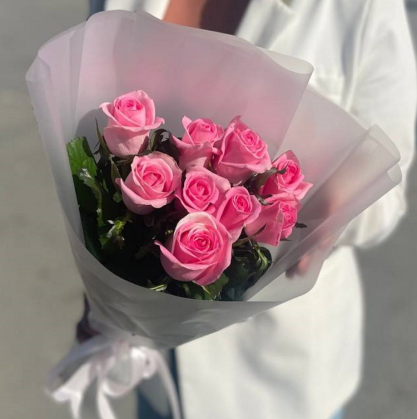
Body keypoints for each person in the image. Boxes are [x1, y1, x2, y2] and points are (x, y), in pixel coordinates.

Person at [90, 1, 417, 419]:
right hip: (151, 363)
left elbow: (390, 187)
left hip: (276, 377)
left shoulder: (363, 8)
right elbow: (92, 135)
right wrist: (101, 300)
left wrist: (336, 211)